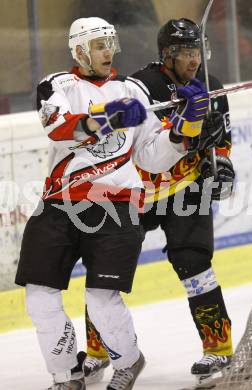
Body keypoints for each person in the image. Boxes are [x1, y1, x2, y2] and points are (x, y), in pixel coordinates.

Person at [14, 17, 210, 390]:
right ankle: (67, 375)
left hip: (116, 205)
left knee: (101, 300)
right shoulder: (57, 85)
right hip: (59, 204)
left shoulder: (132, 91)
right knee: (40, 298)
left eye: (111, 44)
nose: (109, 52)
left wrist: (187, 125)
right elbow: (61, 129)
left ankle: (129, 362)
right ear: (79, 50)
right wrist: (109, 116)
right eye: (100, 45)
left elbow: (152, 157)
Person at [80, 18, 235, 387]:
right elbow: (140, 145)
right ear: (167, 55)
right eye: (185, 53)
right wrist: (185, 132)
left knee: (194, 264)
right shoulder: (139, 87)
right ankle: (98, 350)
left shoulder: (212, 85)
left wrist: (222, 164)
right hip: (141, 189)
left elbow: (222, 138)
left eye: (197, 51)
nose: (194, 60)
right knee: (106, 269)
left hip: (187, 187)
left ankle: (220, 348)